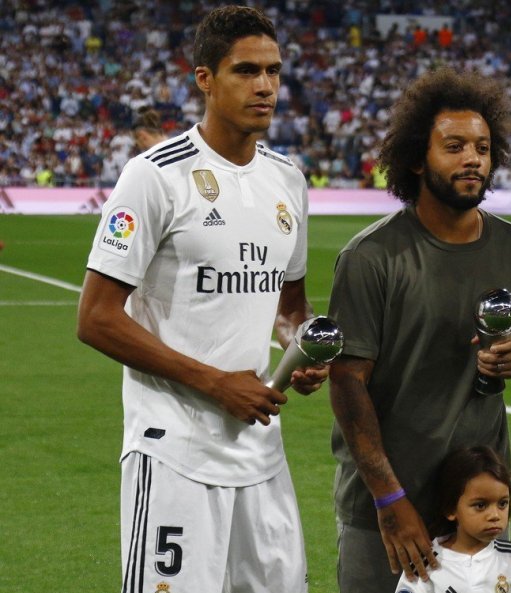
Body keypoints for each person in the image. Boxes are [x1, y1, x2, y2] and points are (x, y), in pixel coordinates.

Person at [76, 6, 327, 592]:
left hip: (259, 449)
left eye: (274, 71)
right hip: (173, 450)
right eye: (245, 71)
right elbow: (95, 319)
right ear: (205, 79)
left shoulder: (288, 180)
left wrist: (301, 350)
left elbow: (291, 307)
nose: (264, 86)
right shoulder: (154, 176)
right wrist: (216, 382)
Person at [327, 67, 511, 592]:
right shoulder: (371, 256)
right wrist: (388, 497)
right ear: (418, 159)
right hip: (388, 505)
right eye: (455, 146)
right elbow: (346, 382)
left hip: (477, 505)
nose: (473, 158)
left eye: (483, 148)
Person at [394, 446, 511, 593]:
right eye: (480, 505)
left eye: (502, 503)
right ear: (451, 509)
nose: (495, 515)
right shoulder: (427, 562)